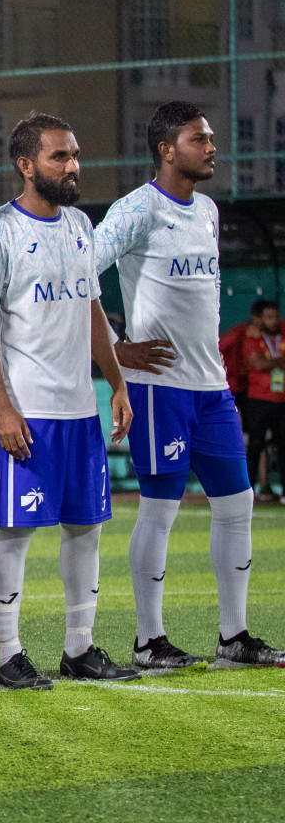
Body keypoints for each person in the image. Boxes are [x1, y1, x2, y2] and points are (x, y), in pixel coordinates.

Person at [94, 101, 282, 669]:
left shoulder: (208, 211)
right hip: (159, 387)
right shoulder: (136, 210)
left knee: (238, 502)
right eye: (198, 139)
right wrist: (115, 348)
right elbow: (80, 276)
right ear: (166, 149)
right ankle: (148, 640)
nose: (211, 147)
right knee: (161, 508)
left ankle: (234, 637)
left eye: (211, 138)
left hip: (212, 388)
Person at [0, 113, 139, 689]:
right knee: (16, 532)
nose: (73, 166)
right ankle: (8, 654)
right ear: (26, 165)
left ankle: (79, 648)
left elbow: (91, 310)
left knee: (85, 528)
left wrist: (115, 382)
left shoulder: (79, 227)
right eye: (59, 157)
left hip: (79, 409)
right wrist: (2, 408)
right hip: (28, 410)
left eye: (74, 155)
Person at [244, 301, 285, 505]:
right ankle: (248, 490)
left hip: (281, 400)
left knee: (283, 445)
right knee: (255, 445)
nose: (273, 321)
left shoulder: (282, 334)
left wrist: (271, 362)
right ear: (259, 319)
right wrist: (279, 361)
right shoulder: (252, 338)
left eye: (275, 316)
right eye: (268, 317)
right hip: (258, 400)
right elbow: (258, 363)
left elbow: (264, 362)